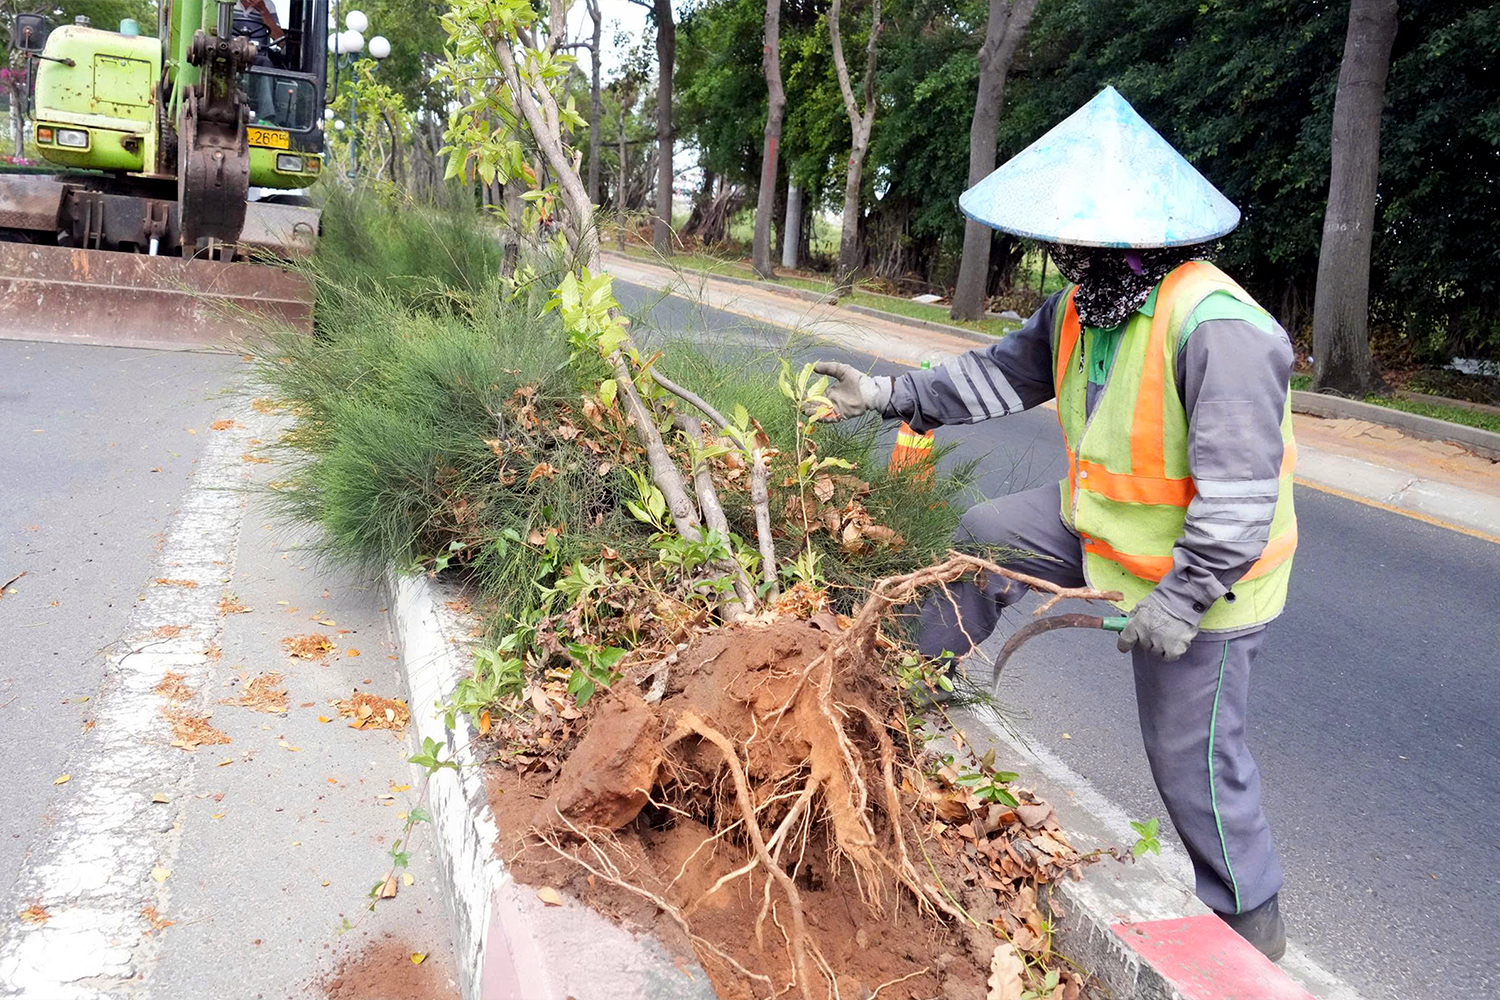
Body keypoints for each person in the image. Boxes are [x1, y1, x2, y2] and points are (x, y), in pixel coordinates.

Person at [812, 86, 1294, 961]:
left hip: (1207, 583)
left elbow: (1236, 504)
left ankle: (1248, 937)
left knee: (1192, 764)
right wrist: (887, 396)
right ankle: (899, 689)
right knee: (985, 534)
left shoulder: (1221, 330)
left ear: (1135, 237)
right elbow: (997, 376)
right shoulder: (1085, 306)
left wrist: (1181, 602)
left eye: (1076, 239)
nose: (1060, 254)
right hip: (1094, 531)